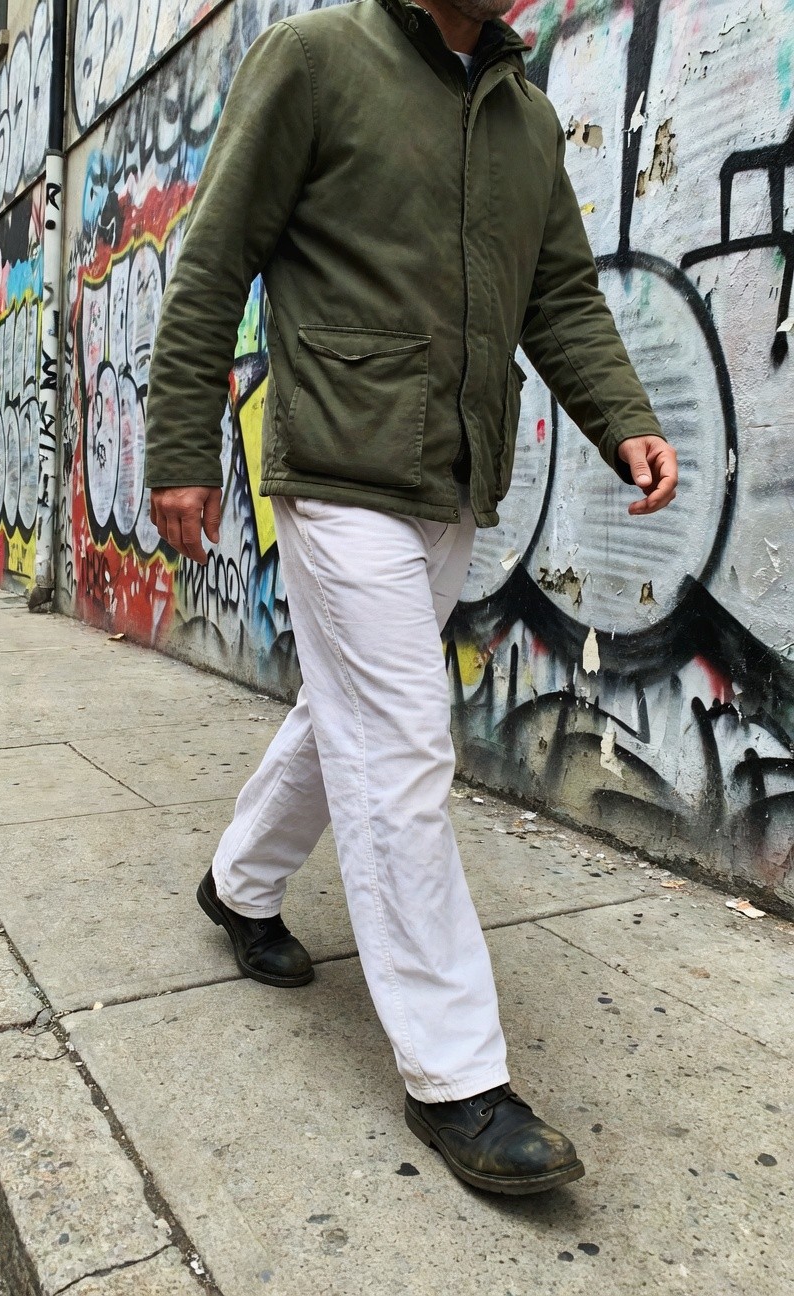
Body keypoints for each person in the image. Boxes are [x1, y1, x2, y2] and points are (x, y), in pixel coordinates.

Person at [144, 0, 678, 1196]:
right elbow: (217, 252)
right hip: (336, 467)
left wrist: (628, 419)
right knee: (398, 745)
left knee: (342, 715)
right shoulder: (318, 60)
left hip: (450, 483)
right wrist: (180, 440)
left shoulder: (525, 119)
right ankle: (459, 1077)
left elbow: (563, 297)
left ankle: (237, 885)